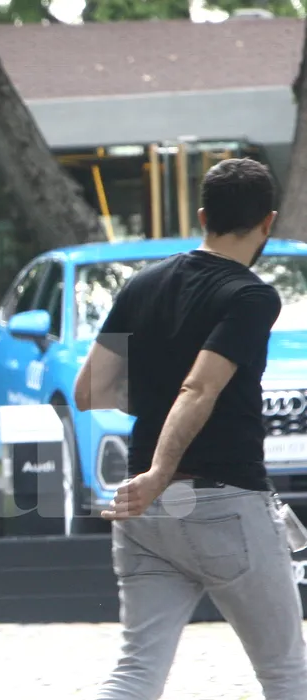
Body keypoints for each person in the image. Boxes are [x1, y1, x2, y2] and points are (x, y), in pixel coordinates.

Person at [74, 158, 307, 699]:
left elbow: (89, 392)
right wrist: (162, 471)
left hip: (145, 514)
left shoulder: (142, 284)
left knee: (135, 673)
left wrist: (153, 469)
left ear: (203, 216)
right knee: (285, 673)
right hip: (225, 503)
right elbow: (199, 388)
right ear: (268, 222)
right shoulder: (251, 296)